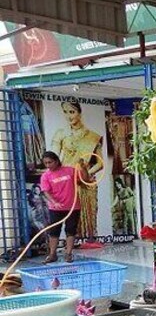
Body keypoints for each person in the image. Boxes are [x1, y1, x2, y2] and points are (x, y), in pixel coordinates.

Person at [52, 100, 103, 239]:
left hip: (85, 182)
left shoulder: (93, 136)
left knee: (87, 215)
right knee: (69, 216)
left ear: (80, 113)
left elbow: (100, 163)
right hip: (67, 182)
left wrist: (84, 174)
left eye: (72, 112)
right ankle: (71, 243)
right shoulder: (61, 134)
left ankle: (88, 240)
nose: (69, 116)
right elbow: (55, 159)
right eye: (65, 112)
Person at [39, 151, 90, 263]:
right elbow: (46, 192)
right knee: (54, 232)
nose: (48, 165)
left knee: (70, 230)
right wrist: (54, 202)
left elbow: (85, 180)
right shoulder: (45, 176)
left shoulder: (70, 171)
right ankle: (52, 254)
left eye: (50, 162)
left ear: (56, 161)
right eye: (46, 163)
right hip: (56, 208)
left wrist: (84, 168)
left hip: (73, 207)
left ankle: (68, 254)